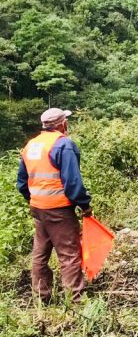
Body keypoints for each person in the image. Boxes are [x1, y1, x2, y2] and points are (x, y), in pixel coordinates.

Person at [15, 108, 92, 302]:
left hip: (38, 208)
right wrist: (84, 205)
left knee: (40, 253)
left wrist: (35, 199)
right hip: (59, 210)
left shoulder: (31, 145)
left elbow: (22, 183)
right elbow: (72, 182)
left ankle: (42, 296)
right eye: (65, 120)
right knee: (69, 254)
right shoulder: (63, 144)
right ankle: (75, 299)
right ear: (61, 124)